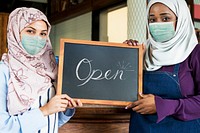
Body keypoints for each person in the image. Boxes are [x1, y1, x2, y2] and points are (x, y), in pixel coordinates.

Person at [0, 7, 83, 133]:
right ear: (15, 32)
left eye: (43, 34)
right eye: (30, 31)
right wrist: (44, 110)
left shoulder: (50, 69)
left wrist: (65, 109)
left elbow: (50, 122)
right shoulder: (4, 70)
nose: (37, 38)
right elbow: (3, 127)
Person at [124, 0, 200, 132]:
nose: (158, 24)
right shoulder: (141, 52)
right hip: (141, 128)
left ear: (181, 19)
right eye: (152, 20)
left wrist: (162, 106)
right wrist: (124, 55)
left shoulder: (195, 53)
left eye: (165, 18)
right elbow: (122, 91)